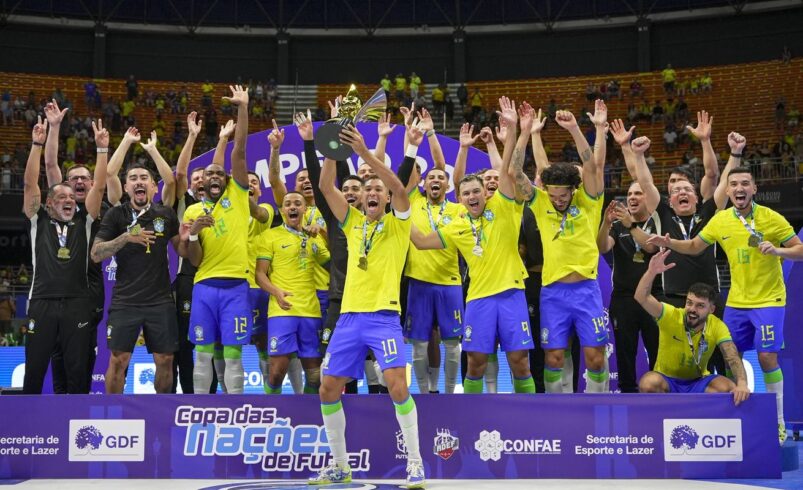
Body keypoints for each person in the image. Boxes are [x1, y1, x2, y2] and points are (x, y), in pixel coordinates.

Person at [648, 166, 803, 445]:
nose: (739, 188)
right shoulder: (721, 221)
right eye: (734, 184)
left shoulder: (772, 218)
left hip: (769, 299)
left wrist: (778, 250)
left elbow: (800, 250)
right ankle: (740, 419)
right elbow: (695, 245)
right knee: (730, 356)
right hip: (736, 302)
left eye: (745, 183)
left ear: (754, 189)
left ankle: (777, 422)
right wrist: (669, 241)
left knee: (767, 358)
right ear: (728, 190)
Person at [311, 124, 424, 487]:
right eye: (367, 189)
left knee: (397, 386)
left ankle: (416, 463)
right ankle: (340, 465)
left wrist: (363, 151)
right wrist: (332, 147)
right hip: (348, 318)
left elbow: (397, 185)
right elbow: (327, 187)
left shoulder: (399, 222)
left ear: (388, 198)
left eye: (378, 189)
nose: (373, 192)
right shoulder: (353, 222)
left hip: (384, 317)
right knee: (328, 388)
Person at [412, 96, 535, 395]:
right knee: (475, 364)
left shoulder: (504, 207)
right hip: (478, 299)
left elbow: (509, 170)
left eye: (475, 191)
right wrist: (400, 217)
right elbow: (421, 241)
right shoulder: (456, 224)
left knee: (520, 362)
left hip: (511, 295)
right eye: (465, 193)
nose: (471, 196)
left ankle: (526, 415)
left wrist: (516, 130)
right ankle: (471, 416)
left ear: (486, 193)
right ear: (461, 198)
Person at [509, 100, 610, 393]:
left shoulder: (589, 201)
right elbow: (515, 172)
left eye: (563, 195)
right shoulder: (540, 203)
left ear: (573, 190)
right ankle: (557, 413)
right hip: (553, 292)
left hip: (587, 291)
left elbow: (591, 165)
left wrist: (575, 128)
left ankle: (596, 411)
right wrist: (525, 131)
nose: (558, 200)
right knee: (553, 357)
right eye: (553, 194)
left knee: (594, 358)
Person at [22, 117, 108, 394]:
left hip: (77, 303)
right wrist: (37, 143)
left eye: (72, 197)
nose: (69, 200)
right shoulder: (39, 220)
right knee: (35, 368)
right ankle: (28, 424)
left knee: (76, 369)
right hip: (42, 302)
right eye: (62, 197)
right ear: (48, 203)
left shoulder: (84, 221)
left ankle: (75, 421)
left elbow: (99, 187)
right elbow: (29, 183)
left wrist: (102, 150)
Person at [181, 85, 253, 395]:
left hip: (236, 287)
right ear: (201, 184)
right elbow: (193, 259)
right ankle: (199, 411)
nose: (214, 176)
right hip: (204, 287)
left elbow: (239, 151)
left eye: (219, 174)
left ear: (226, 179)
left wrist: (242, 108)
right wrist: (194, 231)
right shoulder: (193, 210)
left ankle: (235, 413)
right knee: (203, 357)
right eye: (209, 174)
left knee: (234, 358)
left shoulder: (237, 195)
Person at [91, 162, 180, 394]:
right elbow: (96, 254)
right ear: (126, 187)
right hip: (126, 300)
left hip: (160, 300)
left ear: (153, 187)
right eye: (133, 178)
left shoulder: (166, 214)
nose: (138, 181)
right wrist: (126, 238)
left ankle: (159, 413)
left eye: (144, 178)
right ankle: (112, 413)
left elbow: (184, 251)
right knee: (118, 360)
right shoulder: (115, 214)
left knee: (165, 360)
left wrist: (190, 237)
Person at [634, 250, 749, 404]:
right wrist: (651, 272)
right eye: (689, 303)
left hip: (698, 381)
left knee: (727, 387)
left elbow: (731, 355)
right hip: (667, 381)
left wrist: (742, 384)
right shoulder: (671, 315)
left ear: (711, 310)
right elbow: (641, 297)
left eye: (700, 305)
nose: (692, 309)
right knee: (648, 383)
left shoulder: (717, 325)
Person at [598, 120, 661, 393]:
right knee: (624, 353)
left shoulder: (657, 222)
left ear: (647, 198)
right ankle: (627, 395)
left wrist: (630, 226)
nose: (633, 197)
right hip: (623, 298)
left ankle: (660, 395)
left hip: (654, 297)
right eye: (630, 194)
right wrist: (604, 222)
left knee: (658, 351)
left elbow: (650, 247)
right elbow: (602, 248)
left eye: (638, 193)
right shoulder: (618, 225)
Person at [403, 120, 465, 395]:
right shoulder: (413, 201)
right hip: (418, 283)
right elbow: (406, 172)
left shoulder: (457, 210)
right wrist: (412, 135)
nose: (436, 180)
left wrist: (431, 133)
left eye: (441, 178)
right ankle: (426, 391)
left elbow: (441, 164)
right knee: (418, 344)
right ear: (423, 183)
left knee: (452, 343)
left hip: (450, 283)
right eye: (431, 178)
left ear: (448, 184)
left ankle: (450, 392)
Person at [255, 191, 328, 394]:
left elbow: (335, 265)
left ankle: (304, 414)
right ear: (283, 210)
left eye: (297, 203)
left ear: (305, 209)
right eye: (288, 204)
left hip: (311, 311)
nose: (292, 207)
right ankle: (272, 412)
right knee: (277, 372)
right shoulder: (270, 236)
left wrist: (323, 233)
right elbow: (259, 274)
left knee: (315, 376)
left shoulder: (314, 238)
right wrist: (276, 292)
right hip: (282, 311)